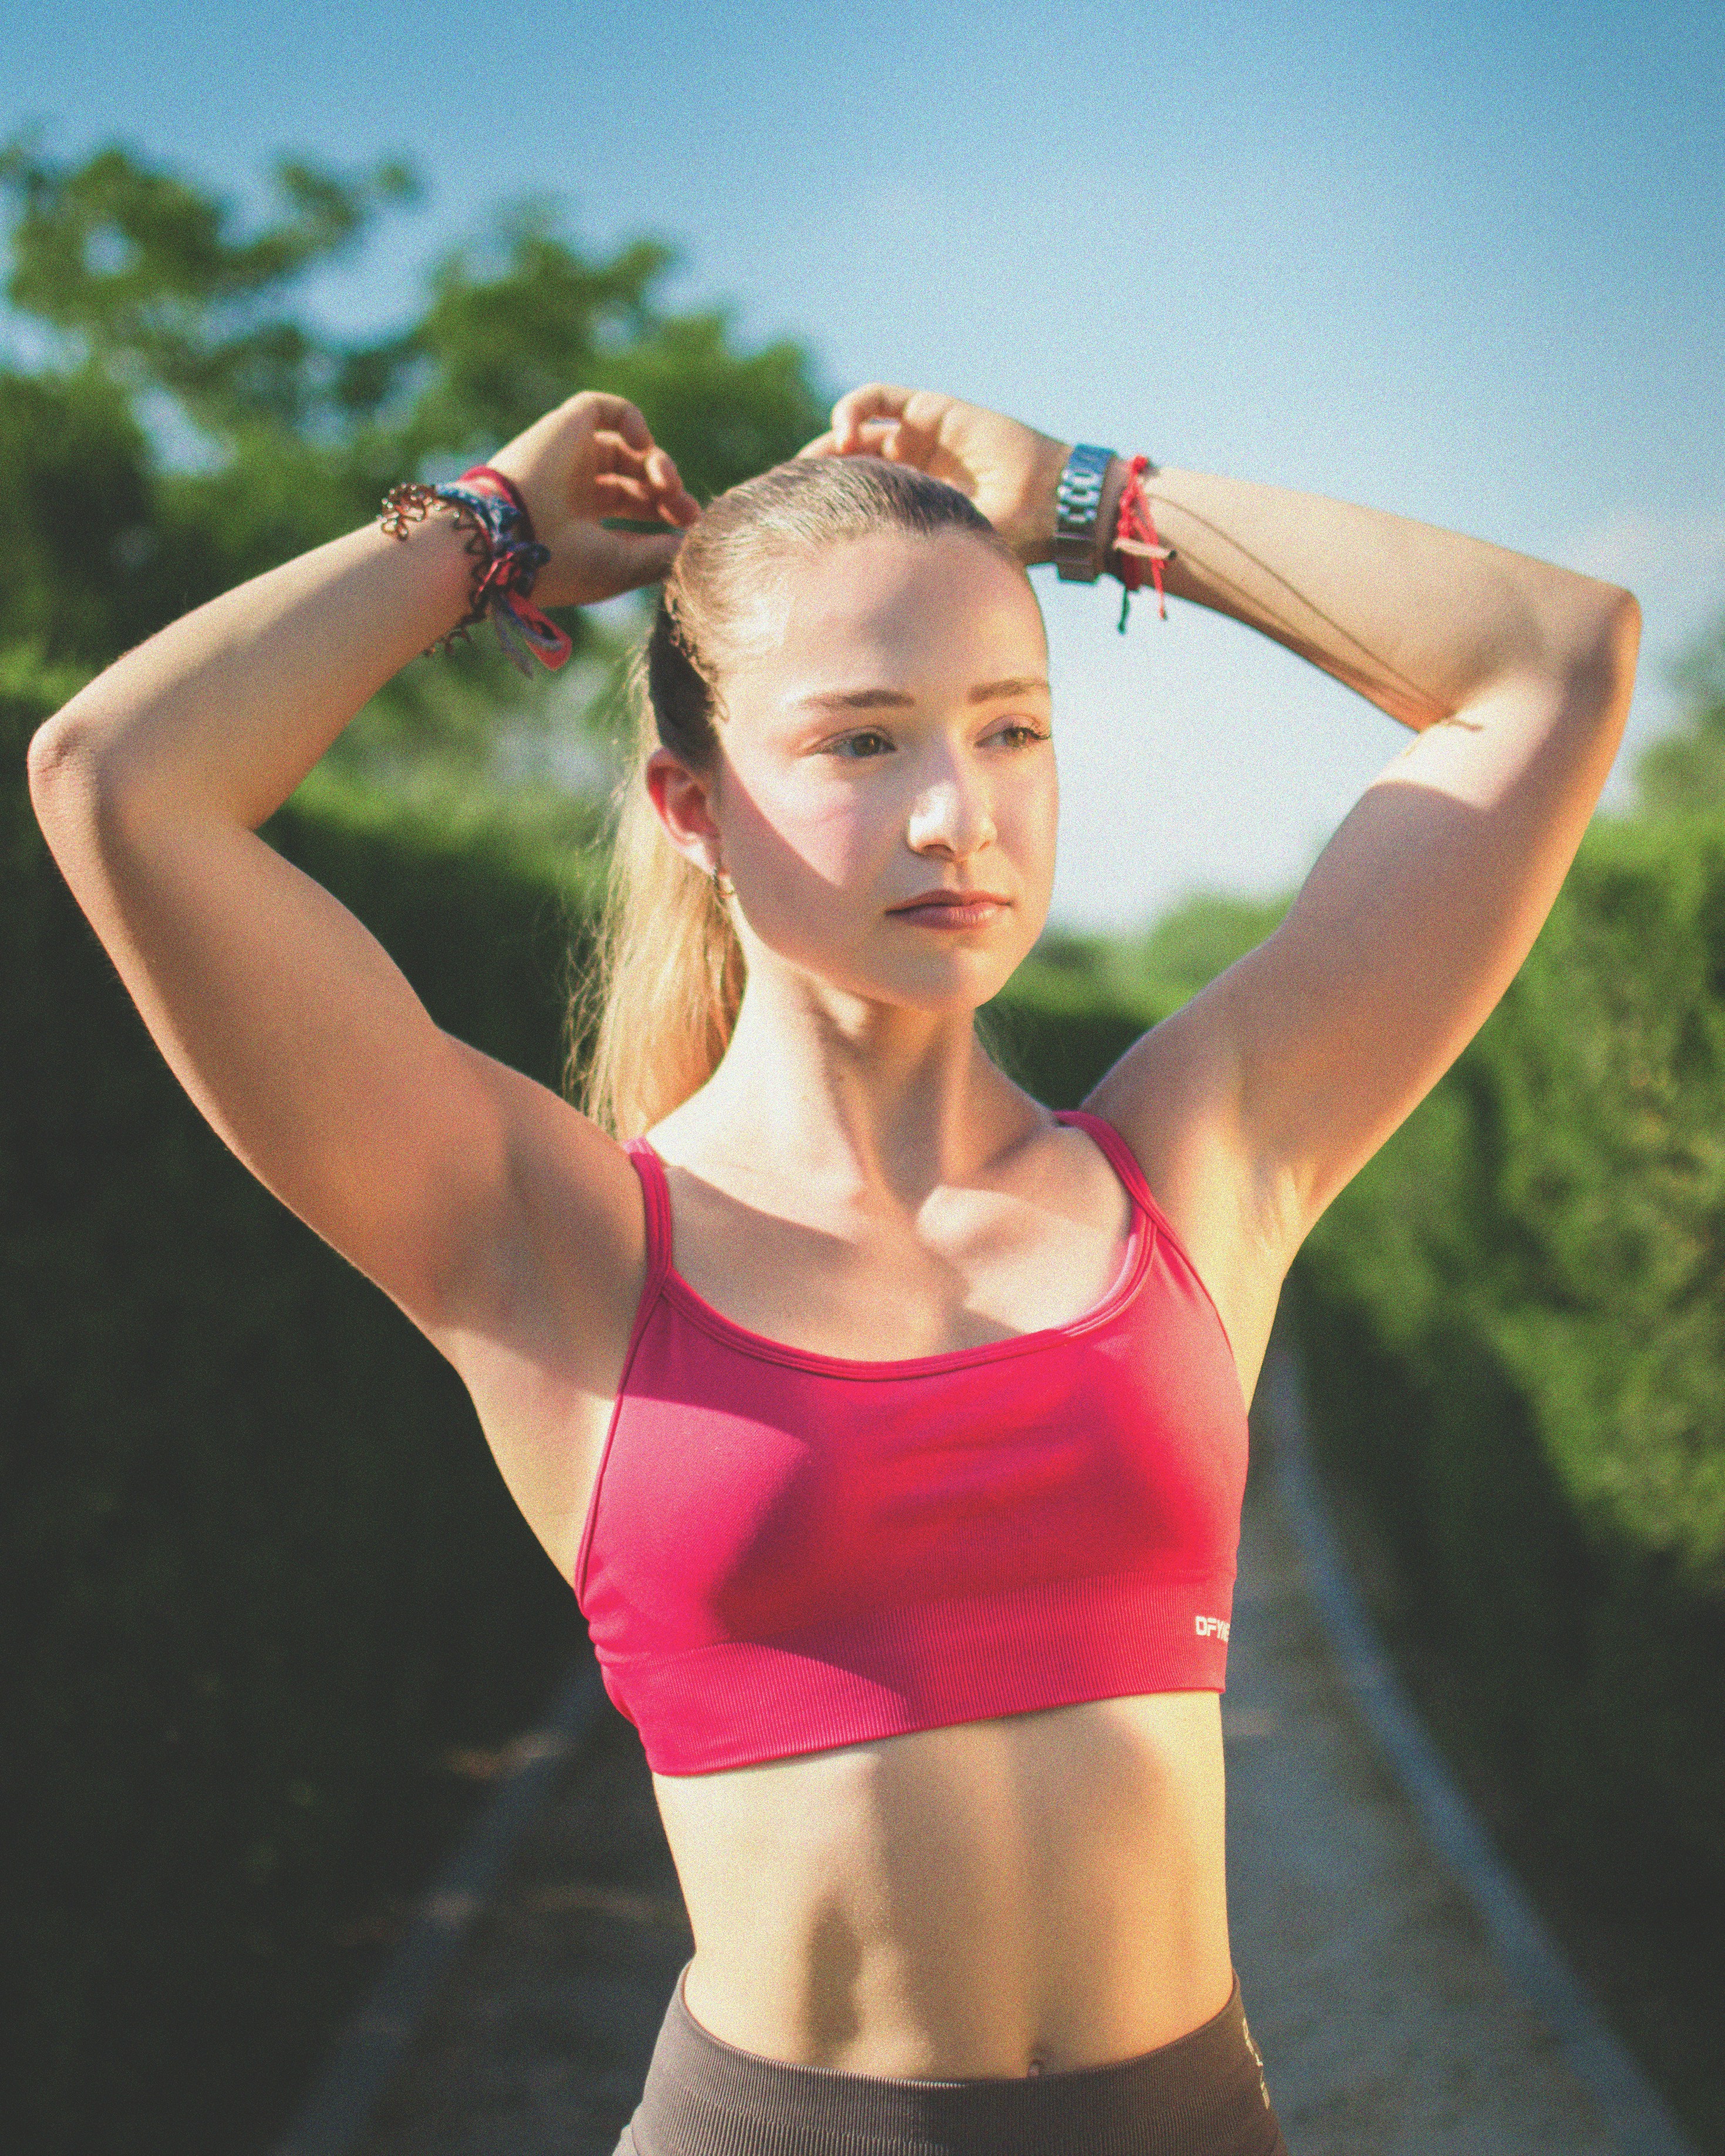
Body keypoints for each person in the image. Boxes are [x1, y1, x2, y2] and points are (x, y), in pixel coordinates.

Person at [26, 380, 1639, 2156]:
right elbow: (122, 781)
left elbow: (1556, 659)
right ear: (692, 804)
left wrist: (1092, 499)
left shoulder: (1199, 1160)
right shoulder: (555, 1244)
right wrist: (481, 536)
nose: (959, 813)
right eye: (863, 741)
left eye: (1010, 729)